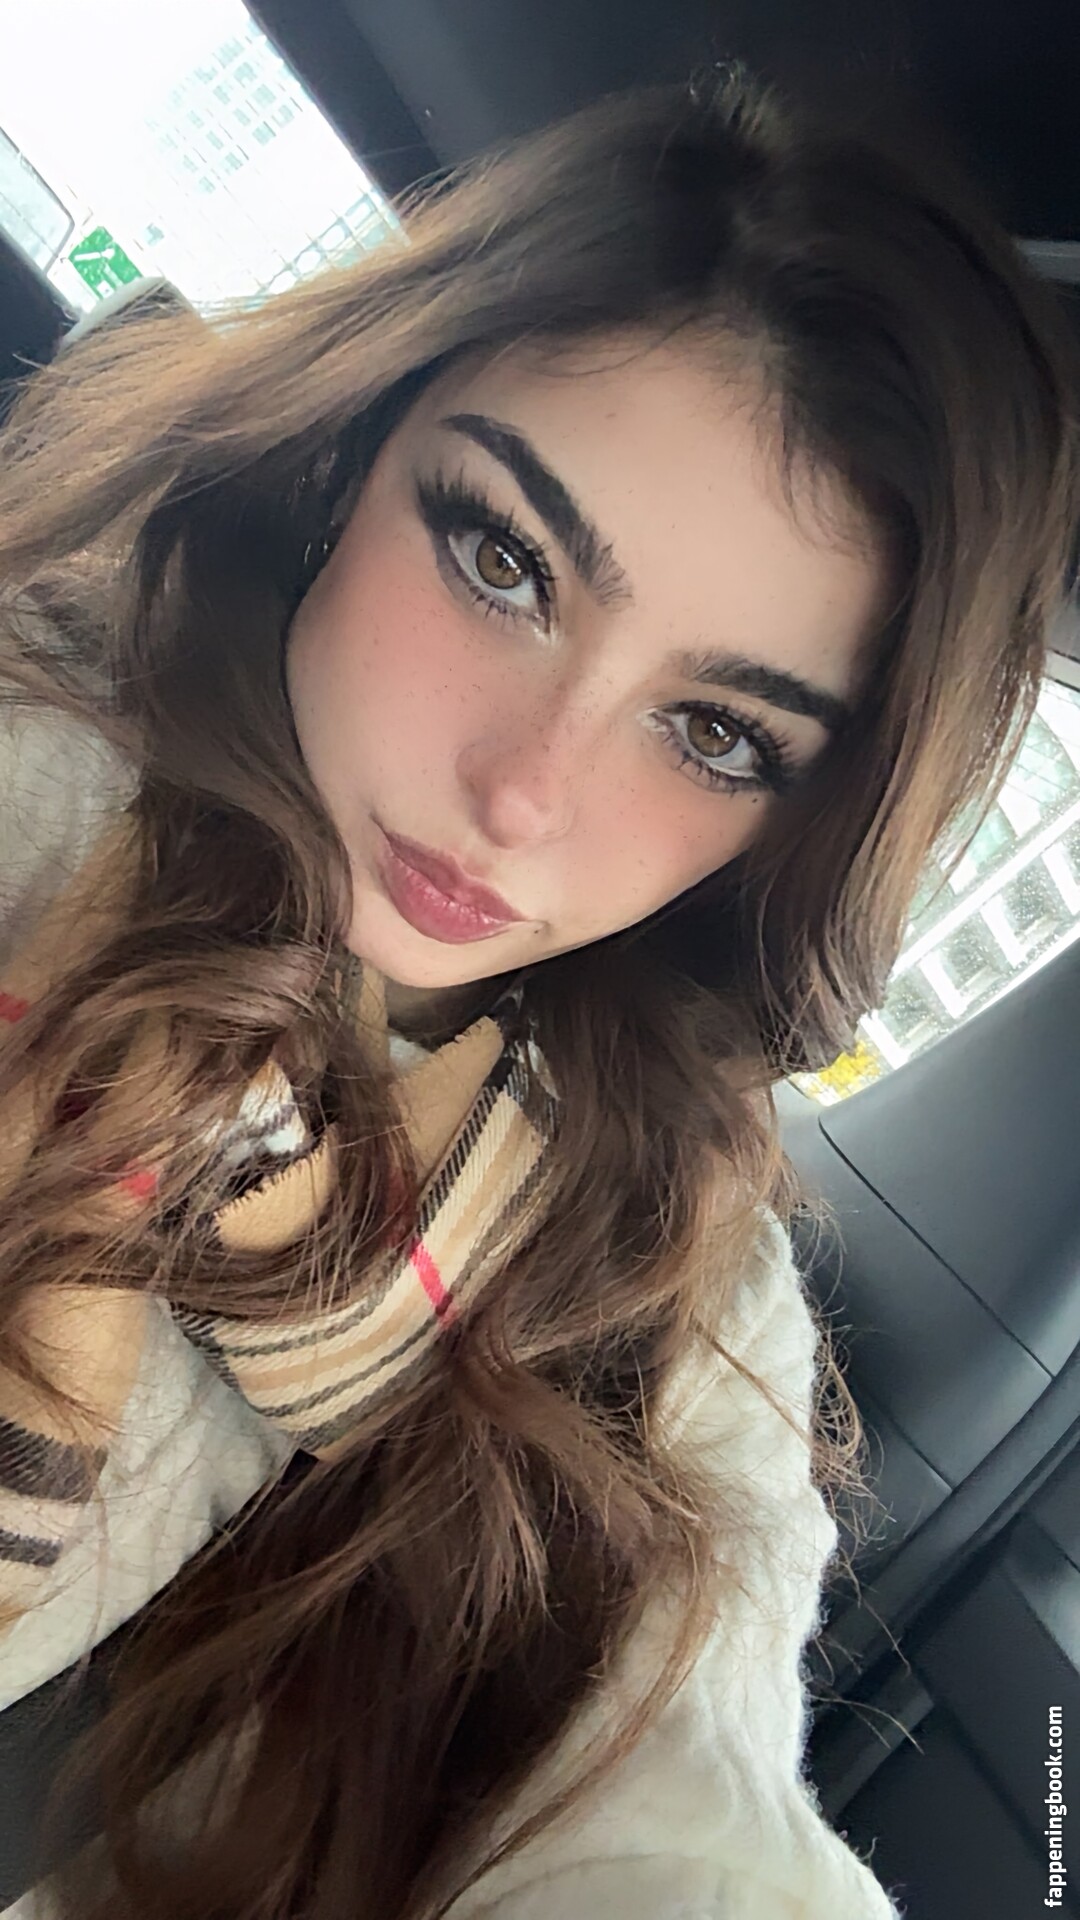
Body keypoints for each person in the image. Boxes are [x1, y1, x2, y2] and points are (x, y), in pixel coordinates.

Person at [0, 66, 1075, 1920]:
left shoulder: (666, 1270)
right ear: (354, 444)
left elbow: (675, 1819)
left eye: (718, 732)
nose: (524, 795)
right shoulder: (35, 753)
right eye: (506, 560)